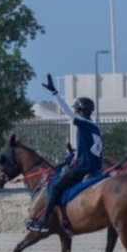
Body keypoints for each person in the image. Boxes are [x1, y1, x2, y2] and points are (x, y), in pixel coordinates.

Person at [26, 74, 103, 232]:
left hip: (83, 168)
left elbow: (66, 111)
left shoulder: (82, 123)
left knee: (55, 188)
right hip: (94, 168)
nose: (74, 110)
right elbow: (91, 149)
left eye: (76, 109)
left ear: (81, 110)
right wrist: (74, 155)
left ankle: (45, 221)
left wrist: (54, 93)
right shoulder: (94, 126)